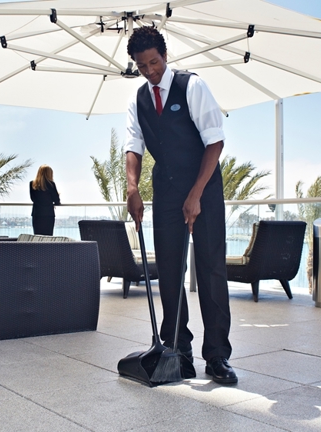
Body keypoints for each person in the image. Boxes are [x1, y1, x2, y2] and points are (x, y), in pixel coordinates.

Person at [124, 26, 236, 385]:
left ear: (165, 55)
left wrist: (197, 193)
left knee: (210, 270)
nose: (150, 71)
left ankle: (217, 355)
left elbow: (215, 142)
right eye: (142, 66)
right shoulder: (138, 100)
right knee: (170, 271)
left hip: (204, 185)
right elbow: (134, 147)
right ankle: (179, 350)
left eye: (154, 62)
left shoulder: (192, 87)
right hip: (168, 191)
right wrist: (132, 188)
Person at [29, 165, 61, 235]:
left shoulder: (32, 184)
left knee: (37, 237)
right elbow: (57, 200)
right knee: (48, 237)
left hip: (37, 213)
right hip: (48, 214)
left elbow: (33, 198)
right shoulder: (51, 184)